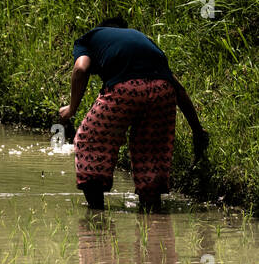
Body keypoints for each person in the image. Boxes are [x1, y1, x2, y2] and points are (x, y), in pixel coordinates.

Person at [59, 17, 209, 211]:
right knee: (151, 154)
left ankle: (96, 214)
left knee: (90, 142)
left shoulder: (89, 38)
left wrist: (71, 109)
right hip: (163, 92)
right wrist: (197, 130)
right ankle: (152, 214)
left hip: (125, 90)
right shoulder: (143, 40)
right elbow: (178, 88)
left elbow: (81, 69)